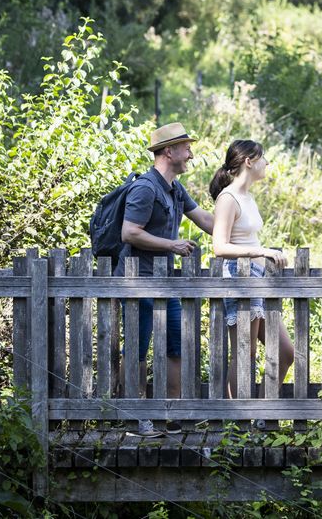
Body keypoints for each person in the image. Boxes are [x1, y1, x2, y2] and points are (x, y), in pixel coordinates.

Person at [118, 122, 214, 437]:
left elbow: (204, 220)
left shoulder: (175, 188)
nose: (191, 153)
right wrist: (172, 245)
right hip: (137, 281)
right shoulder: (146, 188)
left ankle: (169, 415)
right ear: (169, 151)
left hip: (163, 282)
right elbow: (129, 232)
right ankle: (135, 417)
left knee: (177, 343)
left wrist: (242, 230)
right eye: (186, 148)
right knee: (138, 347)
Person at [209, 140, 294, 401]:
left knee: (284, 352)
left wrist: (264, 253)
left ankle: (260, 410)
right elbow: (220, 246)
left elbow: (247, 239)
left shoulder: (249, 197)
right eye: (262, 157)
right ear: (248, 161)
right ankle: (237, 422)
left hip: (258, 278)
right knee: (245, 352)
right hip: (240, 276)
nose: (266, 162)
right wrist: (261, 252)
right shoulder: (228, 198)